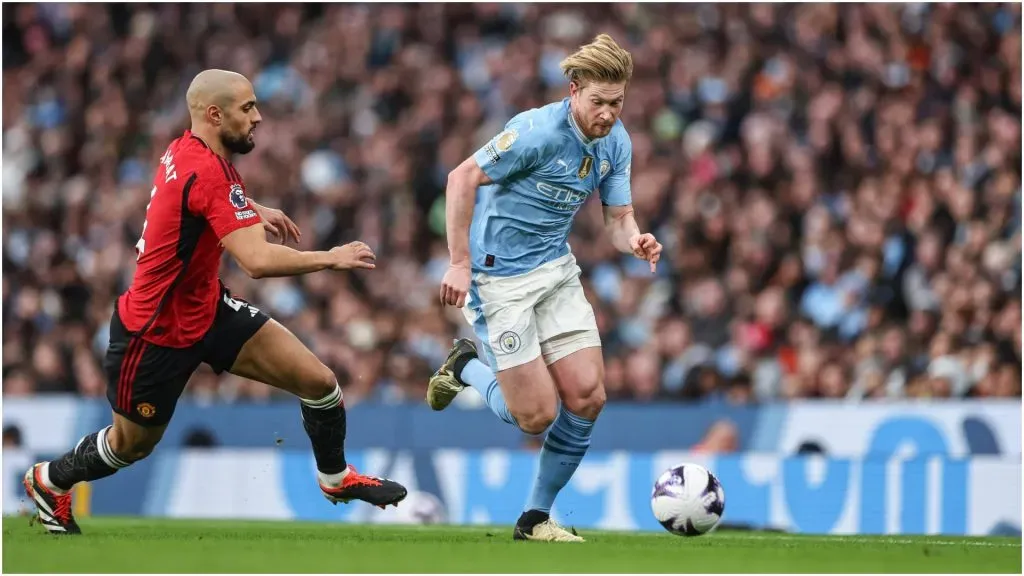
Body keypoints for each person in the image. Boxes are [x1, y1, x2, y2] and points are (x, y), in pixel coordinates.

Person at [23, 69, 407, 535]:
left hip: (206, 310)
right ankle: (50, 480)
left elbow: (194, 197)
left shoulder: (186, 149)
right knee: (130, 446)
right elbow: (258, 262)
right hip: (155, 333)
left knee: (319, 382)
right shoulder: (209, 172)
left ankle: (336, 479)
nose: (258, 117)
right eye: (247, 108)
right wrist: (330, 257)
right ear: (214, 114)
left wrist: (249, 206)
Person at [429, 35, 662, 542]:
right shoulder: (536, 131)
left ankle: (534, 519)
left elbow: (618, 218)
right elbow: (460, 178)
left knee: (589, 396)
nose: (607, 113)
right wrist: (459, 263)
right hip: (499, 280)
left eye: (616, 102)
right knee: (535, 416)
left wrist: (636, 240)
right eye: (598, 101)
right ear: (574, 91)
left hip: (554, 271)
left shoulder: (617, 142)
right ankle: (465, 366)